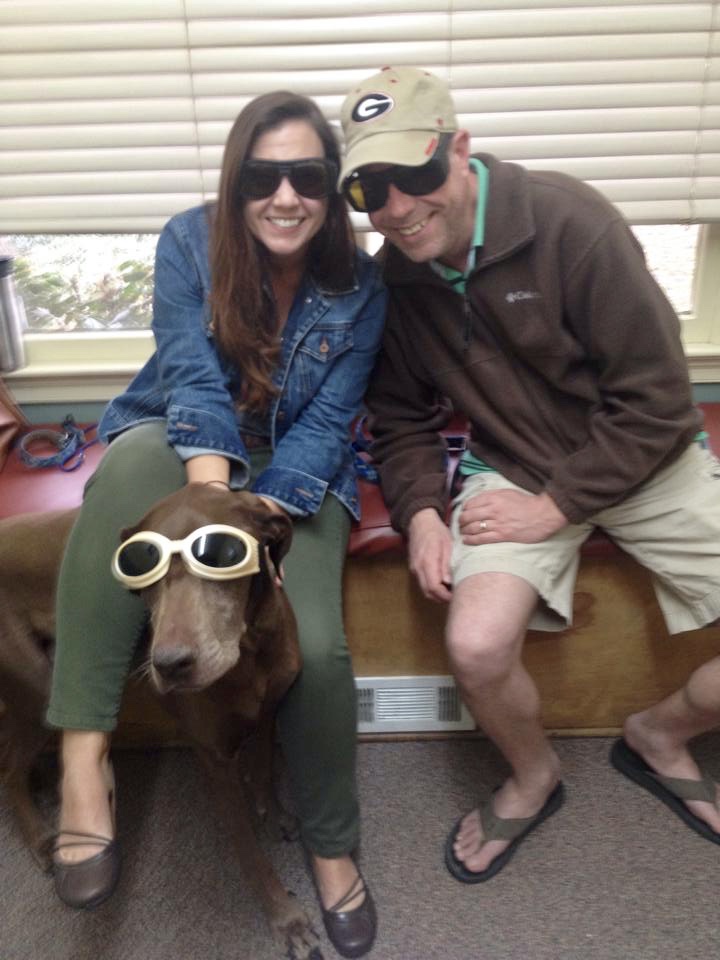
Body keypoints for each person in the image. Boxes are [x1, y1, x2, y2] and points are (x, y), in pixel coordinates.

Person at [338, 65, 720, 882]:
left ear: (460, 149)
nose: (397, 210)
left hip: (641, 457)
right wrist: (424, 515)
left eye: (413, 175)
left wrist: (560, 506)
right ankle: (534, 773)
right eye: (371, 190)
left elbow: (656, 402)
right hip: (511, 462)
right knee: (475, 645)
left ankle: (663, 732)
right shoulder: (397, 277)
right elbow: (400, 417)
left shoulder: (573, 224)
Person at [47, 90, 386, 957]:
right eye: (262, 176)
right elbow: (192, 381)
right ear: (236, 184)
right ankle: (86, 756)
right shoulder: (187, 242)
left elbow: (328, 418)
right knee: (120, 475)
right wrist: (213, 516)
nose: (285, 196)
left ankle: (330, 840)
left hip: (297, 468)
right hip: (186, 432)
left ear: (330, 184)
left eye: (306, 176)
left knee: (319, 646)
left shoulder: (362, 284)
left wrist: (260, 518)